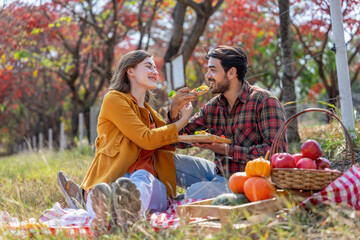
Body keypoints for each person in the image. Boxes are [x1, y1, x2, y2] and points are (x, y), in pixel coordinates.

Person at [58, 50, 193, 230]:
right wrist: (182, 121)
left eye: (154, 67)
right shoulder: (114, 100)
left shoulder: (150, 112)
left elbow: (170, 141)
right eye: (148, 66)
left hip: (151, 188)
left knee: (141, 178)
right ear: (130, 71)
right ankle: (104, 211)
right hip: (114, 180)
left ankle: (114, 212)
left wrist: (176, 111)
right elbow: (147, 139)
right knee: (106, 191)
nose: (154, 71)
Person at [168, 45, 287, 199]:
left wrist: (227, 150)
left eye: (213, 70)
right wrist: (175, 111)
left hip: (251, 182)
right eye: (208, 70)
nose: (207, 75)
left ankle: (184, 201)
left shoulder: (264, 101)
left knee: (193, 193)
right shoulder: (213, 106)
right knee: (167, 162)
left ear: (231, 72)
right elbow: (179, 141)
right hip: (219, 174)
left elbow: (276, 154)